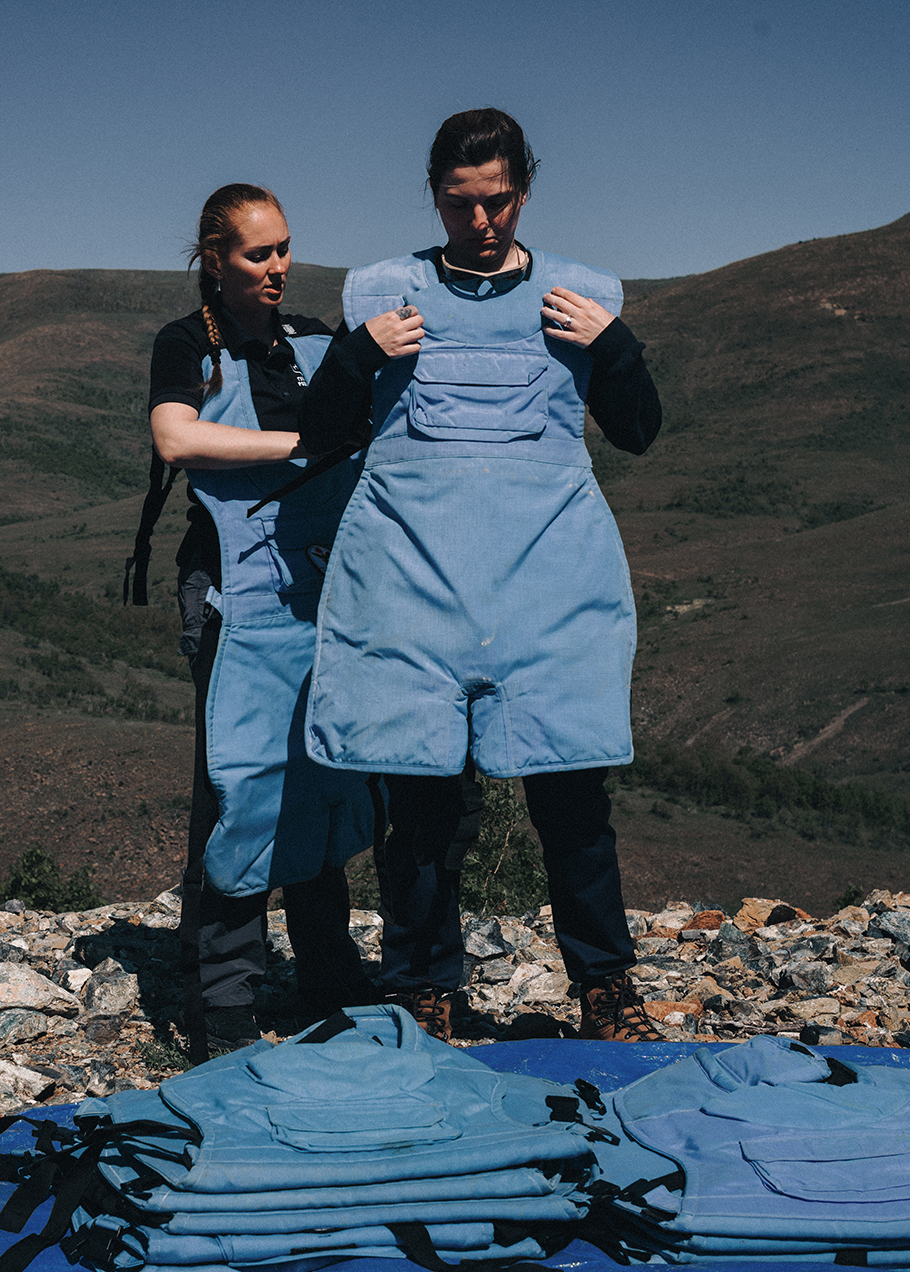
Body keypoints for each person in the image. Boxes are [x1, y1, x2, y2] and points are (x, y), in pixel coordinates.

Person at [298, 108, 665, 1043]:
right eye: (463, 204)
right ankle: (425, 984)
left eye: (497, 202)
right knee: (419, 803)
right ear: (435, 197)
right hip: (414, 585)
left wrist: (614, 345)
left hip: (547, 586)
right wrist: (355, 355)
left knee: (573, 797)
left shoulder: (579, 297)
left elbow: (637, 431)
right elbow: (328, 438)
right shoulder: (383, 295)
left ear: (524, 191)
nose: (483, 221)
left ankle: (605, 986)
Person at [130, 184, 399, 1059]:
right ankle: (227, 996)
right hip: (231, 589)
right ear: (214, 258)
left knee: (325, 771)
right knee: (239, 784)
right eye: (258, 254)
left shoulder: (317, 339)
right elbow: (174, 438)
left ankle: (327, 971)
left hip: (324, 586)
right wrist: (302, 441)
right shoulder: (188, 345)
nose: (278, 266)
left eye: (284, 248)